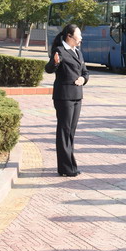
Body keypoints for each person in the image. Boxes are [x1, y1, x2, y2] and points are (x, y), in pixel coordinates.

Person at [45, 23, 90, 177]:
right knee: (64, 131)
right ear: (69, 36)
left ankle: (70, 165)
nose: (81, 38)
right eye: (79, 35)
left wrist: (83, 79)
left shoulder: (78, 52)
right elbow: (49, 68)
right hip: (64, 97)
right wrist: (55, 62)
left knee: (71, 132)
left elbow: (85, 72)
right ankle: (66, 168)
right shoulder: (60, 50)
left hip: (77, 96)